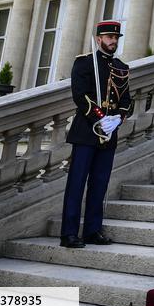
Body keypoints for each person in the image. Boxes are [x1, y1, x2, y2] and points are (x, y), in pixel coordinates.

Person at [60, 21, 131, 248]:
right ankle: (69, 233)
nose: (113, 41)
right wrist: (100, 118)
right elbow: (80, 95)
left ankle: (93, 230)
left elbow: (127, 100)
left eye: (116, 37)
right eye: (109, 37)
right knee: (77, 184)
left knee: (100, 184)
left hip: (109, 135)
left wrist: (118, 118)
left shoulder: (121, 67)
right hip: (86, 132)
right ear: (98, 38)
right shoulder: (84, 63)